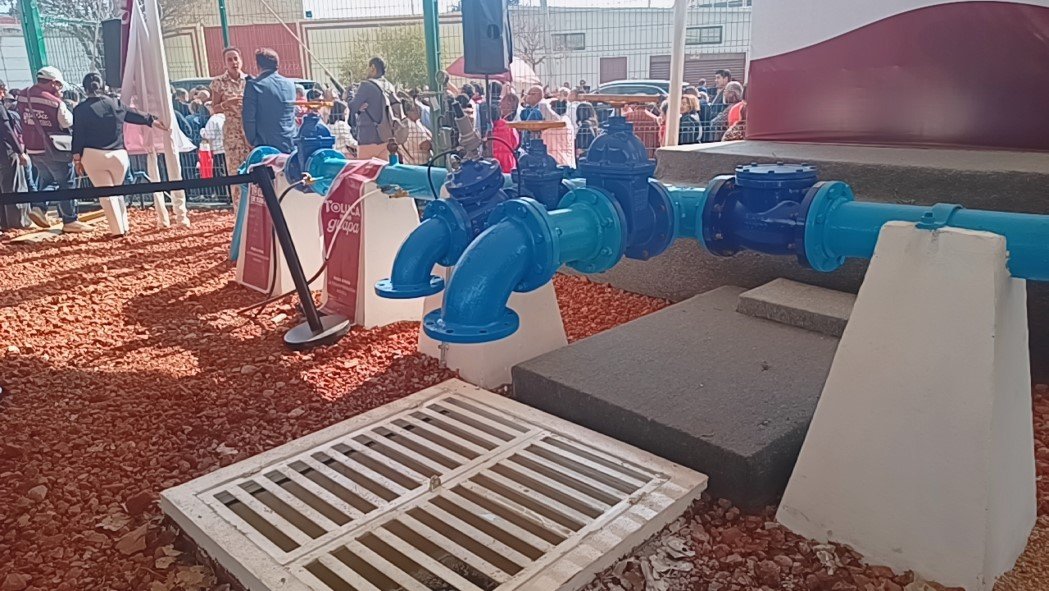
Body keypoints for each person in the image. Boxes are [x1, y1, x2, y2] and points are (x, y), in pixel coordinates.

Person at [72, 72, 168, 237]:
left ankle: (117, 231)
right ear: (103, 86)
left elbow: (78, 135)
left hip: (93, 155)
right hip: (119, 155)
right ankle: (124, 227)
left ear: (85, 89)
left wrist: (76, 159)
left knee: (106, 195)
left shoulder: (80, 109)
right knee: (117, 193)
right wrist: (155, 121)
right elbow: (134, 115)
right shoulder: (115, 103)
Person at [18, 67, 90, 232]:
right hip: (53, 148)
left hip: (32, 148)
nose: (60, 88)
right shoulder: (55, 102)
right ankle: (70, 220)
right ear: (53, 83)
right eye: (59, 85)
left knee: (48, 179)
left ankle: (39, 207)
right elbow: (67, 122)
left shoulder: (23, 95)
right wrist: (60, 100)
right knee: (66, 183)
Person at [211, 46, 252, 211]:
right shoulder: (219, 83)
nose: (234, 62)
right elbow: (214, 108)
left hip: (249, 132)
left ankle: (253, 210)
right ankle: (238, 211)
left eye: (236, 58)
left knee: (252, 169)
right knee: (235, 172)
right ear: (225, 63)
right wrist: (227, 104)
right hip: (232, 134)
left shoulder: (249, 80)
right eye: (230, 59)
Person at [243, 48, 296, 154]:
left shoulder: (254, 85)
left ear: (258, 65)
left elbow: (249, 117)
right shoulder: (290, 84)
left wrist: (251, 140)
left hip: (265, 144)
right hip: (290, 141)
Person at [348, 57, 399, 160]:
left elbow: (353, 107)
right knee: (385, 168)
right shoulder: (389, 86)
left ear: (372, 67)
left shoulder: (366, 85)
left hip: (367, 138)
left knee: (365, 169)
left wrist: (350, 95)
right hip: (386, 137)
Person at [0, 79, 30, 230]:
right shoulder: (0, 108)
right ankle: (16, 223)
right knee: (12, 187)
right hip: (5, 152)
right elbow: (7, 130)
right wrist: (20, 151)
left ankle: (4, 223)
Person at [492, 93, 520, 173]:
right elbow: (515, 142)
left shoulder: (490, 128)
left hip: (494, 159)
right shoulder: (509, 125)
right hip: (508, 159)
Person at [399, 100, 432, 165]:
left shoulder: (416, 122)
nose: (418, 111)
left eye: (418, 108)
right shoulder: (410, 126)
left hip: (413, 163)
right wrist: (434, 142)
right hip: (419, 164)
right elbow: (425, 146)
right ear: (407, 112)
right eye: (414, 110)